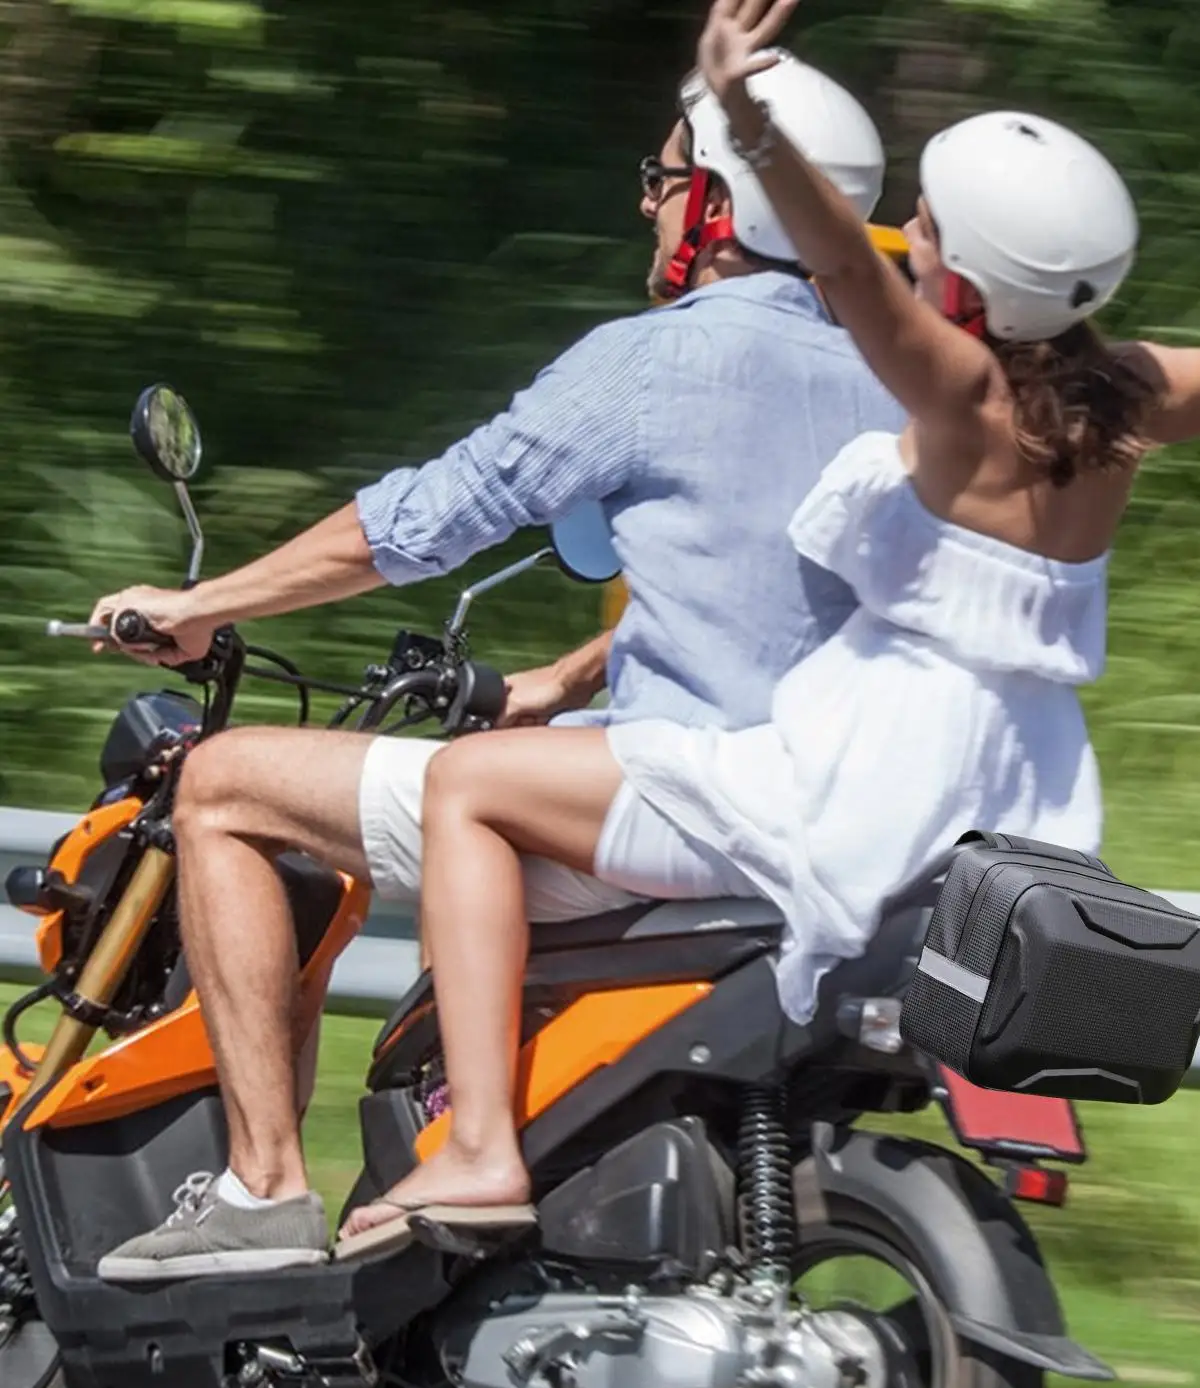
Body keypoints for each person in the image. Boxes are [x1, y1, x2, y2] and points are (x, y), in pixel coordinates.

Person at [332, 0, 1200, 1252]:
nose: (906, 236)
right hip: (1027, 774)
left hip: (875, 756)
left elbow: (832, 261)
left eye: (927, 226)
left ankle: (484, 1144)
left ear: (975, 286)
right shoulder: (1134, 394)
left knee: (474, 783)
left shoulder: (959, 397)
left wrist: (740, 117)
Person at [95, 48, 904, 1282]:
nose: (649, 199)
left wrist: (205, 605)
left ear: (724, 208)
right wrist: (566, 679)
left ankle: (266, 1183)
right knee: (497, 773)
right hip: (842, 811)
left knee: (223, 784)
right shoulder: (897, 386)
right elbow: (778, 599)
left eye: (667, 176)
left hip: (689, 811)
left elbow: (418, 521)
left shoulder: (652, 359)